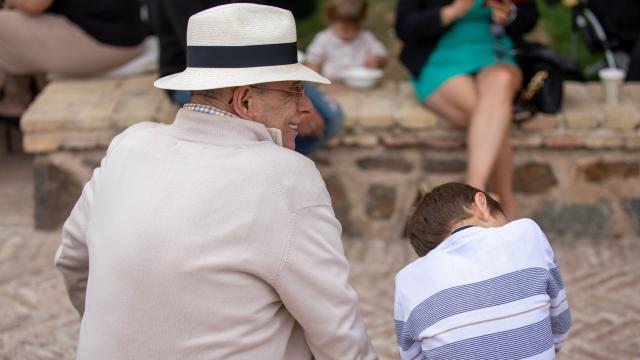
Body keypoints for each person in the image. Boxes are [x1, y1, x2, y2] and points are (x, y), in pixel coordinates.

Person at [55, 4, 377, 359]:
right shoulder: (285, 177)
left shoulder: (129, 145)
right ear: (245, 100)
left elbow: (72, 261)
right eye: (295, 90)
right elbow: (339, 335)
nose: (304, 106)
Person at [395, 0, 539, 220]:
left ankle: (472, 193)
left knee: (500, 83)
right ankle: (505, 207)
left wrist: (508, 13)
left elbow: (529, 17)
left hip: (494, 53)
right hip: (439, 59)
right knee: (493, 118)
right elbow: (405, 27)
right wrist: (453, 11)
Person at [395, 182, 571, 359]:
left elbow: (412, 356)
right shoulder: (526, 232)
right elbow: (559, 325)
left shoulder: (407, 280)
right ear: (480, 204)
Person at [150, 0, 343, 156]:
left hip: (269, 68)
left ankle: (277, 165)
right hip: (197, 74)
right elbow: (202, 49)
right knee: (239, 128)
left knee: (330, 117)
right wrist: (282, 104)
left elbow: (301, 10)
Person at [0, 0, 147, 118]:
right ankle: (16, 99)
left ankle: (17, 99)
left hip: (104, 41)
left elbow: (33, 4)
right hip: (123, 32)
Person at [304, 0, 388, 80]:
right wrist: (314, 77)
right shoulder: (324, 39)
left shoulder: (366, 38)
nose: (351, 32)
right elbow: (312, 62)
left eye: (356, 28)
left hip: (360, 87)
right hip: (331, 86)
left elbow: (382, 55)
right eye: (345, 29)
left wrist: (376, 59)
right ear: (331, 21)